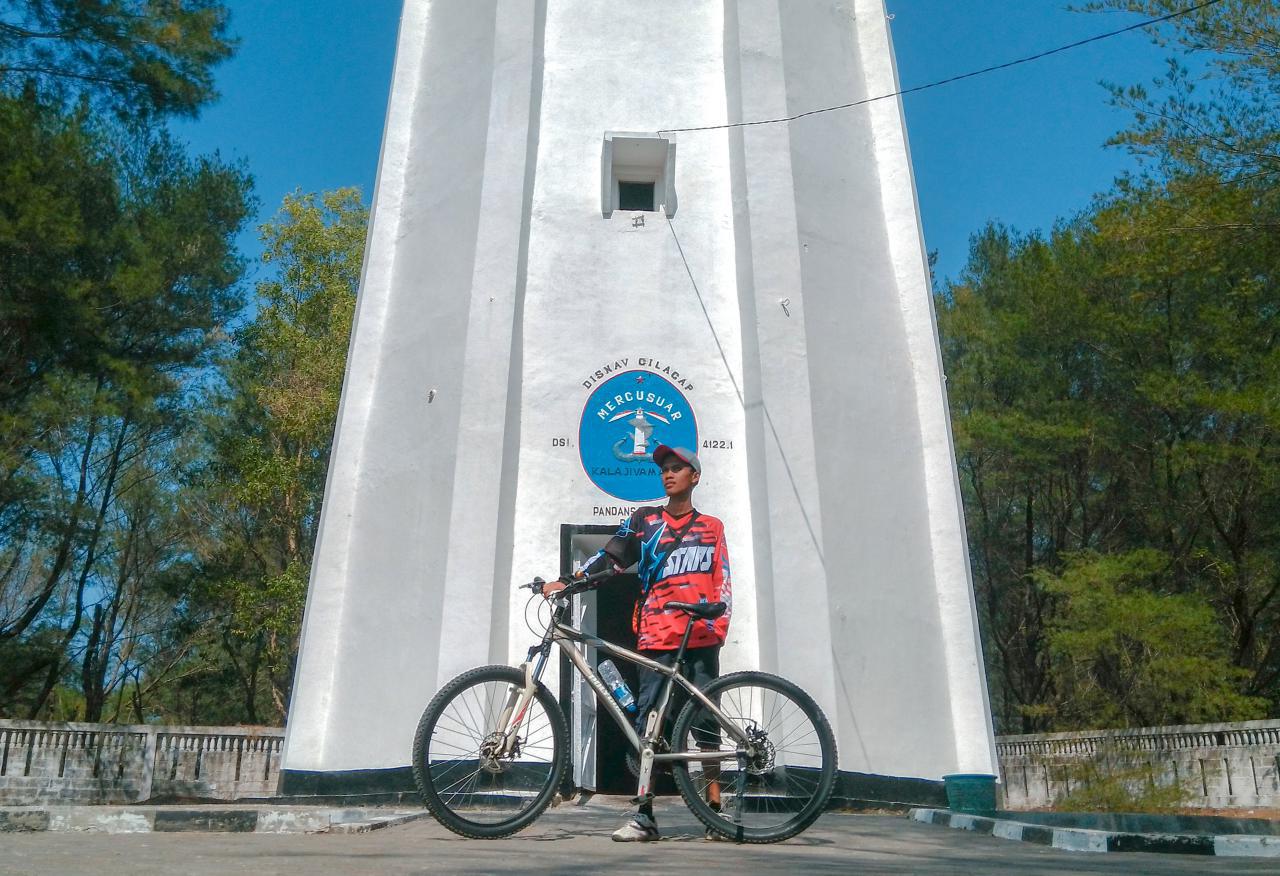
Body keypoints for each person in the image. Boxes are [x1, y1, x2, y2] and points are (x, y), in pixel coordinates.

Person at [544, 444, 732, 842]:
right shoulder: (645, 520)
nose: (668, 474)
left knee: (706, 722)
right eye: (664, 468)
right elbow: (612, 558)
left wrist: (720, 625)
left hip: (699, 636)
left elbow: (723, 578)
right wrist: (570, 580)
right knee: (650, 722)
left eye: (677, 468)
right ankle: (645, 816)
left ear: (694, 477)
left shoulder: (712, 526)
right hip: (657, 633)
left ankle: (715, 807)